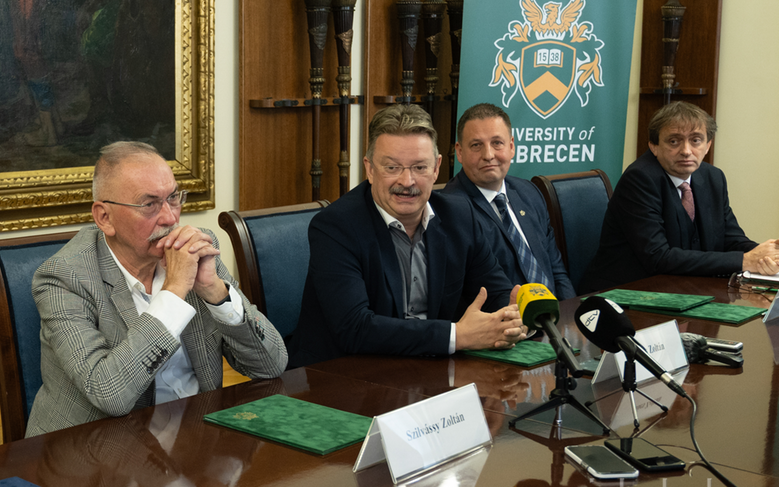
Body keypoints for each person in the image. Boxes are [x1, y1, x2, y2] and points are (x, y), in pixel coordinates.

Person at [26, 141, 287, 437]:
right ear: (104, 218)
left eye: (173, 198)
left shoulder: (196, 249)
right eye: (149, 204)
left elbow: (271, 365)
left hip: (197, 436)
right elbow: (109, 394)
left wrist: (214, 290)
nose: (170, 218)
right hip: (98, 448)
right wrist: (174, 291)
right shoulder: (63, 278)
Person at [288, 104, 528, 367]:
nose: (407, 181)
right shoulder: (335, 227)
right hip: (342, 373)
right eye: (392, 167)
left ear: (436, 168)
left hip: (432, 369)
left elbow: (496, 293)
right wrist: (456, 336)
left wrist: (510, 318)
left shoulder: (460, 216)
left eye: (419, 167)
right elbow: (355, 329)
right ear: (370, 169)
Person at [580, 101, 779, 293]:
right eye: (674, 141)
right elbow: (659, 257)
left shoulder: (713, 177)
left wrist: (767, 256)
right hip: (625, 293)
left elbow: (731, 238)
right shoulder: (639, 179)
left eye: (696, 140)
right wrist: (745, 261)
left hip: (685, 290)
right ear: (654, 146)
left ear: (708, 145)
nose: (686, 151)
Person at [444, 103, 575, 300]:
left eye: (497, 143)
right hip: (505, 316)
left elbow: (556, 272)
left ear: (511, 146)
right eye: (476, 145)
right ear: (460, 152)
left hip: (554, 312)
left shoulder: (529, 192)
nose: (488, 155)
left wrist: (570, 311)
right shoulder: (452, 209)